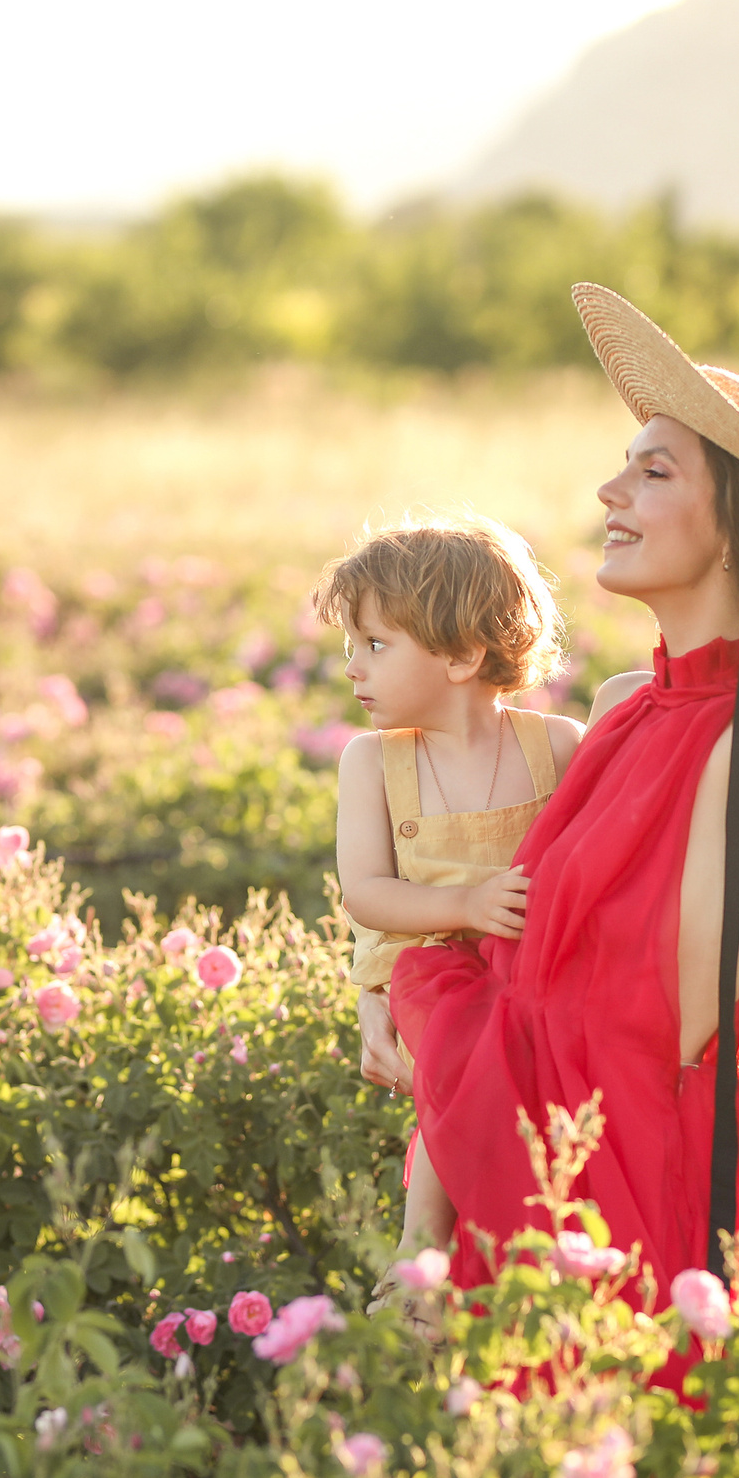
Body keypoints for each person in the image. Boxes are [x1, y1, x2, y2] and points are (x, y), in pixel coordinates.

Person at [381, 285, 739, 1385]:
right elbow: (504, 990)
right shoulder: (616, 710)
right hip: (502, 1166)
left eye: (655, 470)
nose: (609, 490)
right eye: (624, 461)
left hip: (632, 1195)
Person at [312, 516, 584, 1322]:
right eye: (351, 646)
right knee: (467, 1030)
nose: (352, 668)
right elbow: (365, 890)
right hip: (432, 968)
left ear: (463, 655)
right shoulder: (375, 761)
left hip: (534, 968)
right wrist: (464, 906)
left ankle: (531, 1252)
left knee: (524, 1041)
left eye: (375, 645)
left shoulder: (558, 746)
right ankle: (420, 1243)